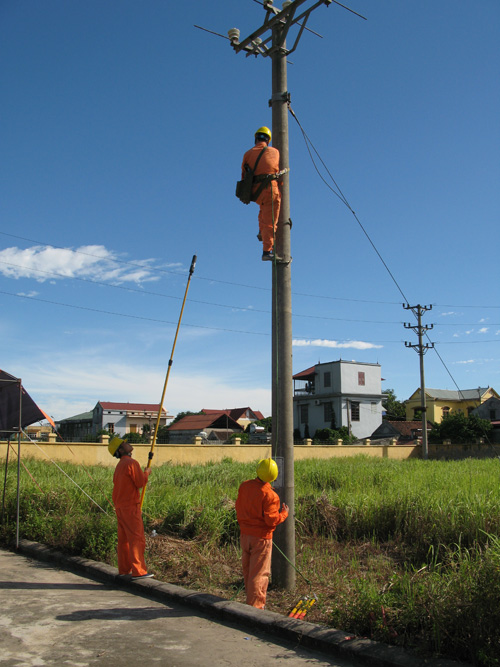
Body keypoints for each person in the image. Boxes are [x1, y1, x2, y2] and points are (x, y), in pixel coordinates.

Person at [235, 458, 289, 609]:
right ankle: (256, 608)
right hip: (261, 539)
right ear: (274, 476)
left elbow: (238, 506)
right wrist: (284, 514)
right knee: (259, 574)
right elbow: (271, 521)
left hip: (245, 536)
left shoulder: (245, 486)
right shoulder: (271, 495)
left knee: (248, 571)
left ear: (258, 470)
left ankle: (249, 603)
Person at [108, 436, 154, 580]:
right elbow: (140, 482)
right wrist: (147, 472)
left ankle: (124, 569)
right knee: (136, 538)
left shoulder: (120, 465)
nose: (128, 444)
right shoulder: (131, 463)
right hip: (130, 507)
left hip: (120, 506)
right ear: (121, 450)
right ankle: (138, 571)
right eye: (124, 443)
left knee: (124, 540)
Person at [241, 126, 281, 261]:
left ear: (256, 138)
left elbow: (244, 175)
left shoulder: (247, 154)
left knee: (263, 209)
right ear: (268, 140)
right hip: (270, 189)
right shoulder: (274, 152)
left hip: (256, 192)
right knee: (271, 221)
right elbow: (277, 172)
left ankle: (261, 231)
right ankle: (267, 250)